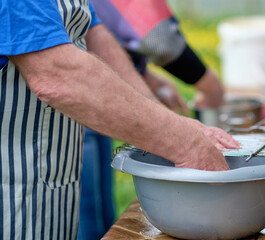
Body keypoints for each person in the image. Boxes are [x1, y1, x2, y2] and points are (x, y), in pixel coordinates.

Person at [0, 1, 239, 239]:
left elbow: (92, 30)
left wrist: (163, 117)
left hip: (49, 184)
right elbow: (55, 73)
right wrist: (187, 144)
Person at [78, 1, 227, 239]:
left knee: (102, 216)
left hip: (90, 92)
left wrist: (143, 74)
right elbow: (159, 40)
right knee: (83, 216)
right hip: (66, 101)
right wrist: (211, 87)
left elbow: (94, 31)